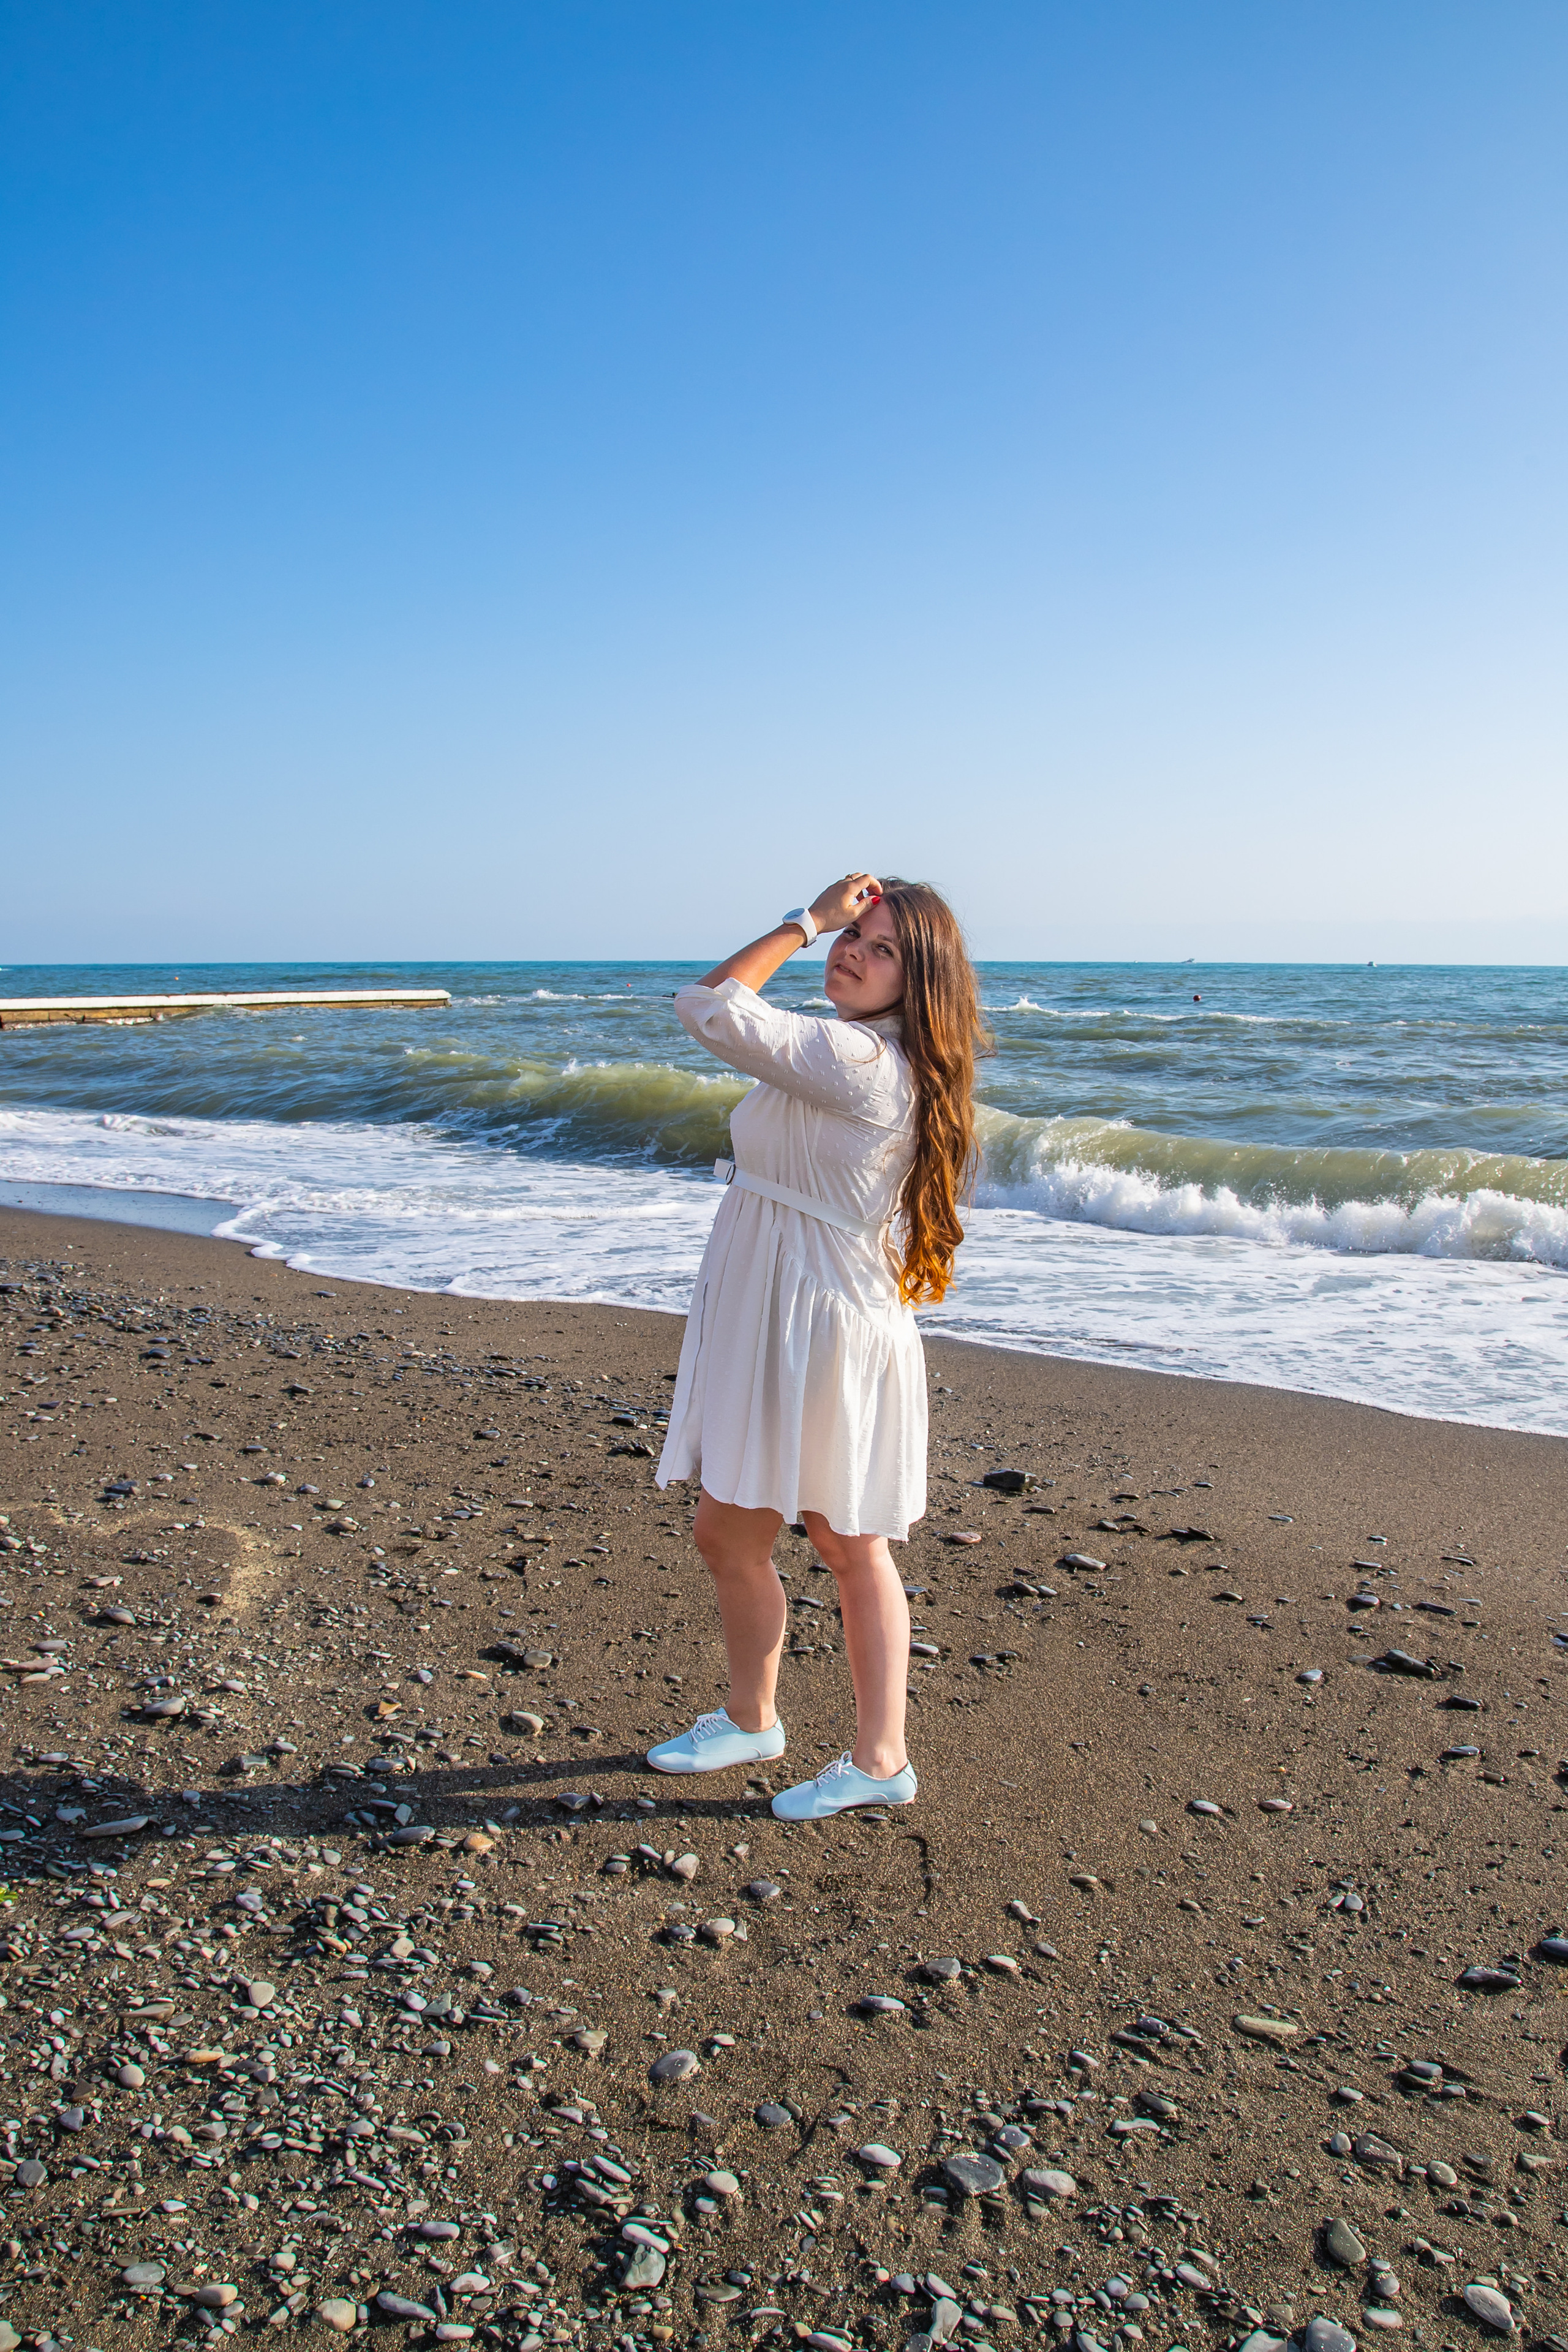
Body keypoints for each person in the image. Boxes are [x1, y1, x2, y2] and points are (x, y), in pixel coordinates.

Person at [647, 872, 988, 1819]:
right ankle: (752, 1718)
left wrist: (805, 920)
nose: (852, 953)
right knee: (729, 1531)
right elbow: (726, 1013)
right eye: (852, 938)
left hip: (823, 1321)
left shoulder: (861, 1061)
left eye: (879, 948)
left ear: (917, 980)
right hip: (775, 1307)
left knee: (847, 1542)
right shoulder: (846, 1048)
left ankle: (883, 1762)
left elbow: (708, 1005)